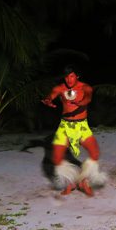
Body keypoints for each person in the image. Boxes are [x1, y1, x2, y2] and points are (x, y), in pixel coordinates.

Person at [42, 65, 106, 197]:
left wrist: (81, 102)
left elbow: (88, 98)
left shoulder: (85, 87)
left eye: (71, 76)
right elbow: (51, 95)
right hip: (65, 126)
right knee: (57, 158)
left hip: (82, 126)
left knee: (95, 153)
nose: (68, 79)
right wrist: (48, 100)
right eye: (66, 77)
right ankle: (70, 183)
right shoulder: (60, 88)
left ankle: (84, 182)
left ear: (77, 76)